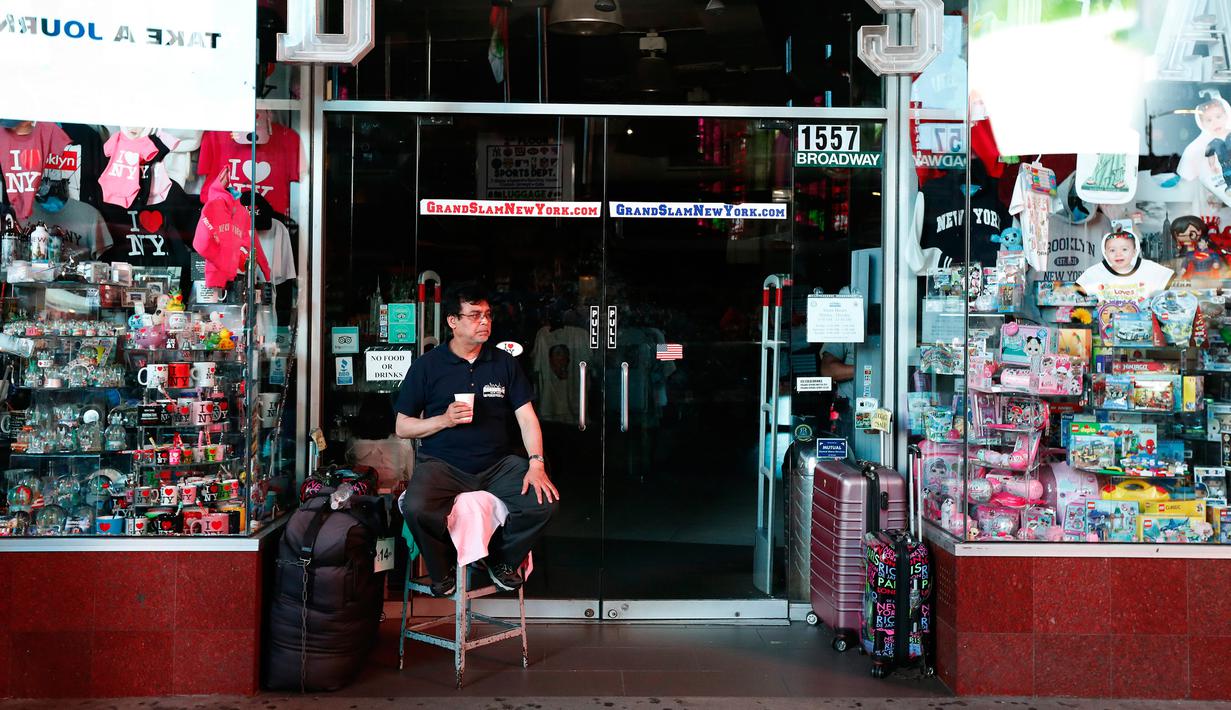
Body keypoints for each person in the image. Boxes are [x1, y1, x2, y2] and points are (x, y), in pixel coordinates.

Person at [395, 284, 560, 597]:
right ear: (453, 322)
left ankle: (503, 561)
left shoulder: (503, 363)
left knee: (544, 502)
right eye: (474, 316)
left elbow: (527, 419)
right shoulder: (428, 366)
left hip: (496, 464)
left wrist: (536, 463)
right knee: (416, 507)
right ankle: (441, 570)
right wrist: (443, 420)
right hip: (442, 464)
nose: (484, 322)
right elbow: (402, 427)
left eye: (487, 315)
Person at [1075, 229, 1174, 303]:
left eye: (1124, 249)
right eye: (1112, 250)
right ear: (1105, 253)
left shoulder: (1147, 268)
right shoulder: (1096, 272)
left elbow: (1171, 279)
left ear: (1134, 252)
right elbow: (1078, 291)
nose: (1118, 254)